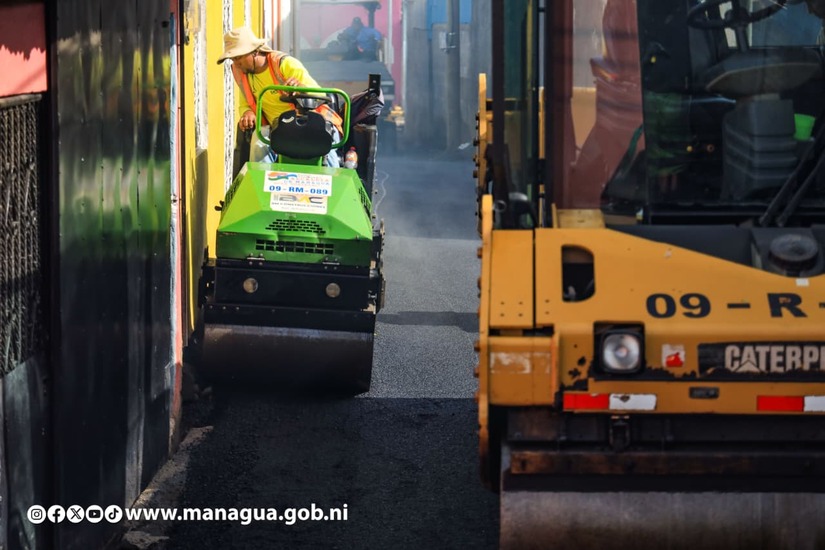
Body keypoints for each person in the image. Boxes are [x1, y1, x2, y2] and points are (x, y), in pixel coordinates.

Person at [217, 26, 342, 166]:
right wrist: (247, 112)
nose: (236, 64)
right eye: (233, 59)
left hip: (309, 123)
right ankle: (261, 185)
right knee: (258, 142)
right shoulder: (242, 73)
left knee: (327, 145)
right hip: (275, 128)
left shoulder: (284, 64)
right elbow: (245, 103)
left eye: (238, 57)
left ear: (255, 51)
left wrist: (301, 88)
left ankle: (332, 181)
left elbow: (320, 94)